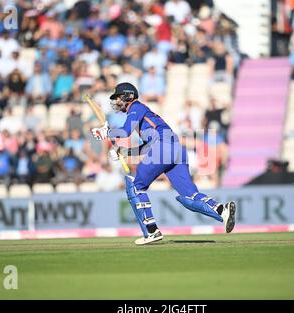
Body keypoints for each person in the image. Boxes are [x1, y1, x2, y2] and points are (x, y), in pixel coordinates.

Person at [91, 83, 236, 245]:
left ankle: (151, 231)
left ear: (128, 96)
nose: (116, 102)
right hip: (176, 150)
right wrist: (125, 151)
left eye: (118, 98)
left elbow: (125, 132)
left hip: (164, 148)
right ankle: (222, 211)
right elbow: (148, 146)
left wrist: (106, 132)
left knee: (136, 186)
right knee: (190, 196)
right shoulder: (144, 116)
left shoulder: (136, 107)